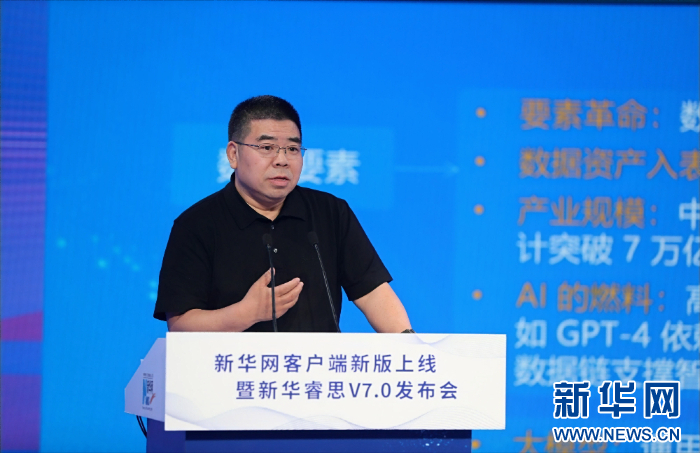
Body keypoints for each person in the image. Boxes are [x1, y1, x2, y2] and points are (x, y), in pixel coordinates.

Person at [154, 95, 412, 333]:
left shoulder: (331, 212)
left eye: (292, 149)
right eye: (267, 147)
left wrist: (409, 345)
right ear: (233, 154)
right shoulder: (196, 224)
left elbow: (373, 293)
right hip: (232, 367)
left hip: (317, 367)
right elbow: (181, 324)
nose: (282, 160)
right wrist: (245, 314)